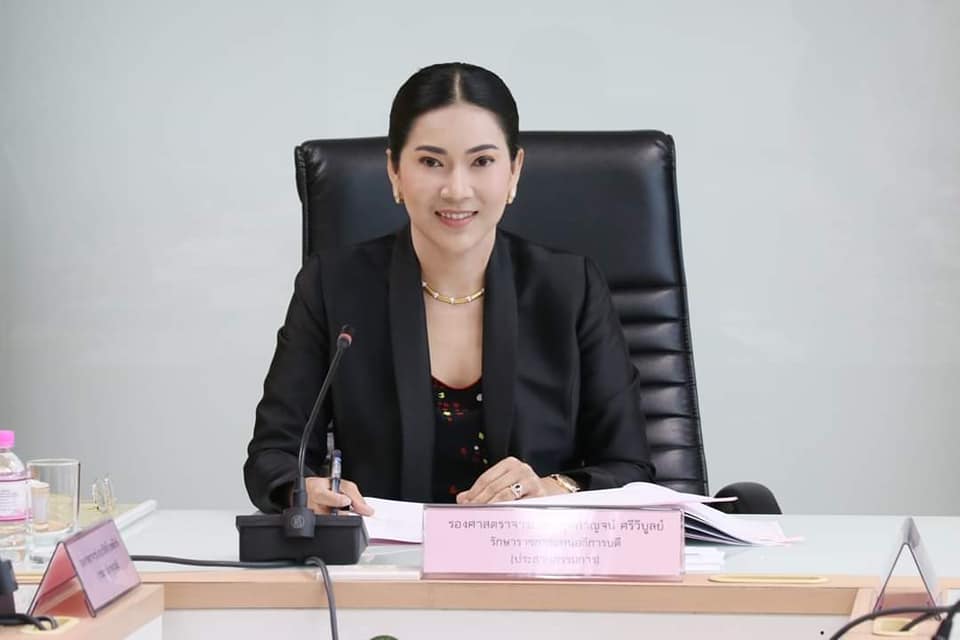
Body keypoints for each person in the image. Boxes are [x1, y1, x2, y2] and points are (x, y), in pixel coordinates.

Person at [244, 62, 654, 516]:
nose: (457, 190)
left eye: (482, 162)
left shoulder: (571, 288)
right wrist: (304, 490)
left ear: (514, 171)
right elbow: (273, 456)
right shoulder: (334, 285)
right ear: (394, 172)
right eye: (430, 162)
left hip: (532, 553)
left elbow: (629, 465)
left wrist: (553, 487)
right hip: (385, 554)